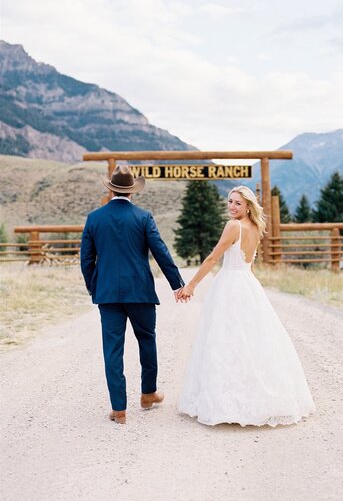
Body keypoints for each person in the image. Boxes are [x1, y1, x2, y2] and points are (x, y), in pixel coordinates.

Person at [177, 186, 316, 427]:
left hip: (230, 285)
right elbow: (249, 265)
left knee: (225, 341)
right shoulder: (255, 227)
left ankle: (227, 401)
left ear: (248, 206)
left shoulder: (234, 226)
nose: (231, 206)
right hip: (248, 284)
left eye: (238, 204)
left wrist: (191, 285)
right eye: (230, 202)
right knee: (251, 341)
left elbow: (213, 258)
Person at [80, 165, 184, 424]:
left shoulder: (94, 218)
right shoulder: (143, 216)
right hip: (141, 293)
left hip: (108, 296)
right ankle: (148, 394)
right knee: (147, 340)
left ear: (111, 189)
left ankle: (119, 409)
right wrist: (177, 284)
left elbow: (86, 259)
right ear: (132, 192)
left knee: (112, 349)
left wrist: (95, 286)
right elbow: (161, 252)